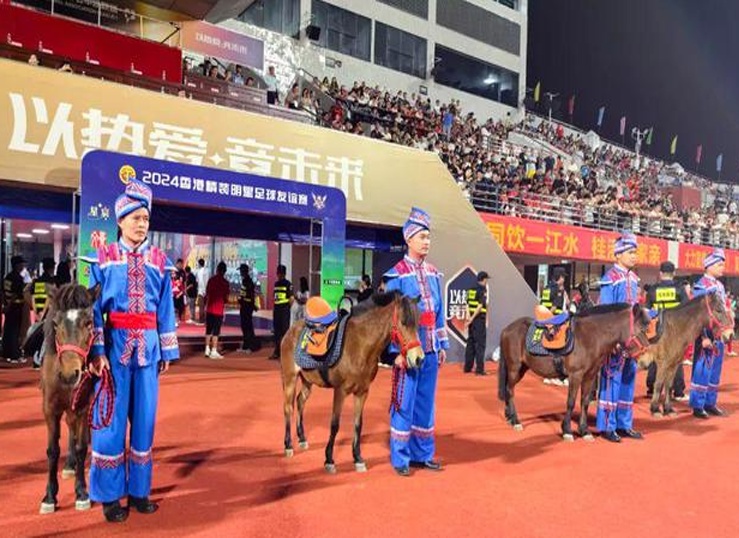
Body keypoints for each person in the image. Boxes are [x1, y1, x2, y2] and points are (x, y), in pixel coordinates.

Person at [82, 179, 179, 523]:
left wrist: (166, 352)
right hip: (114, 351)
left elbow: (166, 309)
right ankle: (109, 497)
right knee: (108, 422)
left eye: (146, 219)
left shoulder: (159, 261)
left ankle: (139, 492)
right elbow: (93, 309)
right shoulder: (103, 259)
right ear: (120, 220)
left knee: (145, 422)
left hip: (148, 351)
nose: (142, 224)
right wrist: (97, 350)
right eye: (135, 218)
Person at [384, 207, 449, 476]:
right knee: (405, 400)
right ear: (408, 239)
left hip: (431, 348)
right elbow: (390, 318)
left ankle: (423, 454)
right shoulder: (396, 275)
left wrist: (442, 346)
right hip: (408, 350)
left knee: (425, 402)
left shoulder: (434, 273)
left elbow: (439, 312)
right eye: (421, 236)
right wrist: (393, 352)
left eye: (428, 237)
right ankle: (400, 458)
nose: (426, 242)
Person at [596, 233, 643, 443]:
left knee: (629, 379)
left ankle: (625, 423)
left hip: (631, 341)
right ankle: (608, 425)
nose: (634, 256)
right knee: (611, 379)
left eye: (635, 252)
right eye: (630, 252)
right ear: (618, 255)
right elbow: (605, 312)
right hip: (615, 341)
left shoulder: (634, 279)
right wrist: (611, 340)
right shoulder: (610, 279)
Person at [690, 248, 729, 419]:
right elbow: (698, 314)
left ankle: (710, 402)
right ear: (709, 266)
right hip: (706, 334)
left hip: (718, 334)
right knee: (702, 369)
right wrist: (704, 336)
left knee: (715, 370)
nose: (723, 268)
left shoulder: (719, 286)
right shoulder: (701, 286)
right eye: (719, 264)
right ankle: (698, 405)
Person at [645, 261, 689, 399]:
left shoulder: (652, 290)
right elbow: (686, 311)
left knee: (655, 358)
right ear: (674, 273)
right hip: (674, 330)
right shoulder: (680, 289)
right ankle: (678, 392)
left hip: (657, 329)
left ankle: (651, 388)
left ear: (660, 273)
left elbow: (647, 311)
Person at [27, 257, 57, 369]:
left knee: (38, 335)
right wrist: (44, 314)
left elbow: (33, 297)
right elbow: (50, 299)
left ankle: (36, 360)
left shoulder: (36, 281)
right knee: (47, 336)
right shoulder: (51, 282)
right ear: (51, 268)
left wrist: (36, 312)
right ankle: (40, 360)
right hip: (46, 314)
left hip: (37, 312)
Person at [2, 255, 28, 364]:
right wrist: (9, 305)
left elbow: (3, 292)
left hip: (8, 306)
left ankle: (6, 353)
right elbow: (16, 294)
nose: (23, 266)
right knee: (14, 331)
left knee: (7, 330)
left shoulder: (7, 277)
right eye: (22, 264)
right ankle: (14, 355)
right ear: (17, 265)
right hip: (15, 307)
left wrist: (5, 305)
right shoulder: (18, 278)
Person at [464, 271, 489, 376]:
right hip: (478, 319)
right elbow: (480, 306)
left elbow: (467, 304)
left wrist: (469, 318)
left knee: (470, 343)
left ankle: (468, 367)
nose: (487, 281)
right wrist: (473, 318)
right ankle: (479, 369)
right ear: (483, 279)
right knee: (480, 344)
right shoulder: (482, 290)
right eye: (486, 279)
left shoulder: (470, 289)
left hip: (471, 320)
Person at [204, 261, 230, 360]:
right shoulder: (225, 283)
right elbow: (226, 298)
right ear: (225, 271)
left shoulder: (211, 280)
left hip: (210, 309)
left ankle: (207, 349)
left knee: (208, 330)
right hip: (218, 310)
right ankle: (214, 350)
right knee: (216, 331)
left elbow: (207, 293)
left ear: (217, 269)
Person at [270, 264, 292, 360]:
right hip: (277, 311)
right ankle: (277, 352)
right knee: (277, 332)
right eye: (278, 273)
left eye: (281, 273)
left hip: (284, 311)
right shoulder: (276, 284)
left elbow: (291, 298)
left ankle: (285, 353)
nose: (279, 275)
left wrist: (286, 308)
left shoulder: (288, 284)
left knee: (284, 332)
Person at [238, 263, 259, 353]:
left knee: (247, 326)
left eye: (241, 271)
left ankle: (251, 346)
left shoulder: (247, 281)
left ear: (244, 271)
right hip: (245, 306)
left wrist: (252, 304)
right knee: (244, 326)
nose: (240, 272)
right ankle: (246, 345)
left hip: (247, 306)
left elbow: (250, 295)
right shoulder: (245, 281)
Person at [194, 258, 208, 324]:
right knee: (204, 306)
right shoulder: (206, 271)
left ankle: (201, 321)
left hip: (201, 291)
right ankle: (204, 320)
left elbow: (201, 282)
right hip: (205, 290)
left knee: (201, 307)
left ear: (199, 264)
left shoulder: (199, 271)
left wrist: (202, 291)